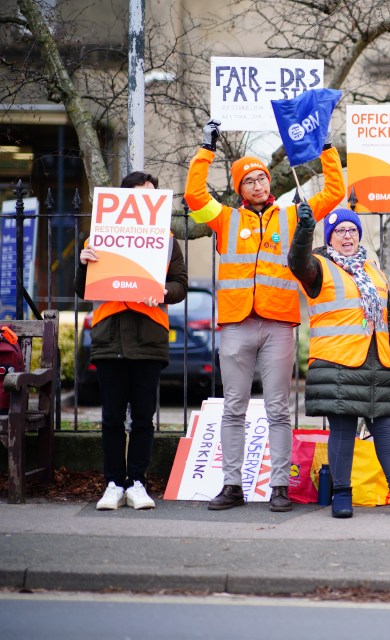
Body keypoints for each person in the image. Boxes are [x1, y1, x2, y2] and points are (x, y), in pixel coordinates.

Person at [184, 119, 345, 512]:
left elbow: (336, 191)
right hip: (237, 324)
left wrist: (324, 146)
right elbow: (192, 195)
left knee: (277, 410)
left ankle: (279, 487)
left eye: (261, 178)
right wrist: (207, 148)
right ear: (239, 188)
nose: (258, 185)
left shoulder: (293, 215)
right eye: (249, 180)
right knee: (234, 407)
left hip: (278, 324)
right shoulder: (224, 218)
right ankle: (232, 485)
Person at [288, 207, 390, 518]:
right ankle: (341, 493)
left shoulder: (373, 269)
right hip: (339, 360)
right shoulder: (318, 267)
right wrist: (304, 230)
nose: (347, 236)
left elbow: (386, 323)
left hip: (377, 361)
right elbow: (297, 262)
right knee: (343, 427)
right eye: (339, 231)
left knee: (387, 426)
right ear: (329, 238)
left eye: (352, 230)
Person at [75, 171, 188, 510]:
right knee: (110, 417)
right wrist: (83, 264)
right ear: (124, 199)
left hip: (149, 338)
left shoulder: (167, 239)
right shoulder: (97, 237)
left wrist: (164, 291)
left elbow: (180, 284)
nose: (146, 201)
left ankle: (137, 482)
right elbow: (82, 290)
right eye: (139, 195)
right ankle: (113, 483)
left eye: (151, 196)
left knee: (142, 418)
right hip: (110, 338)